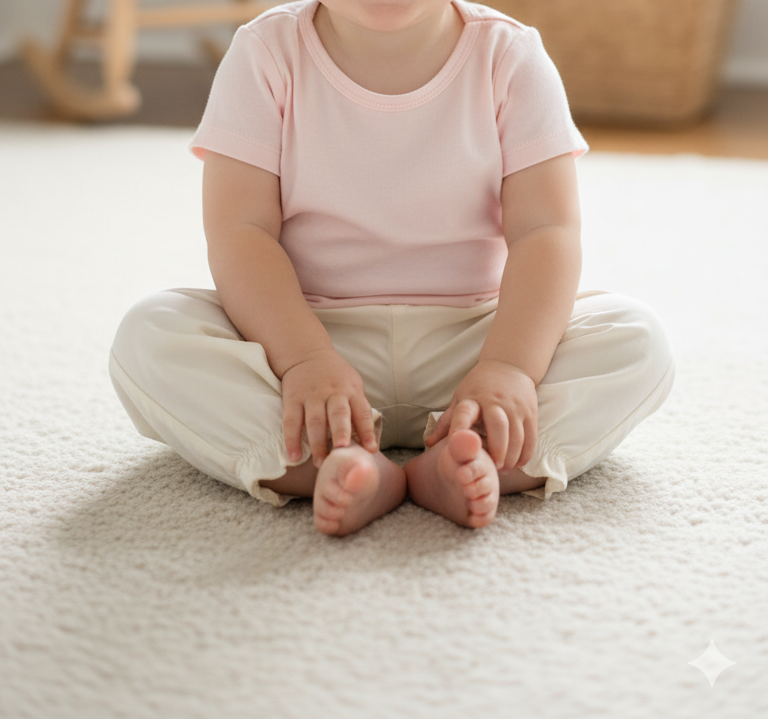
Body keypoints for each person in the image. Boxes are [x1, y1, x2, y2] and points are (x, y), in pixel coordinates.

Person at [109, 0, 675, 536]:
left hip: (474, 341)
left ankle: (468, 457)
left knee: (636, 339)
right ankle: (335, 463)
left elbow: (546, 232)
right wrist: (305, 358)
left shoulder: (511, 56)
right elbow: (241, 232)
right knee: (151, 331)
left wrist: (511, 368)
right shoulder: (264, 52)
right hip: (302, 342)